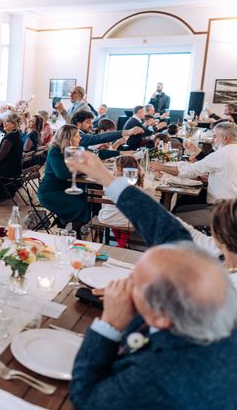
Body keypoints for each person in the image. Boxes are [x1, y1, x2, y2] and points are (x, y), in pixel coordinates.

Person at [63, 152, 237, 410]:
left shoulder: (162, 370)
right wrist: (107, 179)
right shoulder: (215, 277)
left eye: (139, 285)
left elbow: (86, 399)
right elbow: (170, 233)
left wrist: (110, 324)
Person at [151, 122, 237, 226]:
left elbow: (188, 171)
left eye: (215, 136)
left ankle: (169, 235)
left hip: (223, 211)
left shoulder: (222, 154)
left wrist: (161, 167)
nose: (212, 140)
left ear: (225, 138)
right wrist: (209, 178)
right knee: (181, 206)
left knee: (174, 218)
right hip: (230, 206)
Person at [37, 125, 89, 232]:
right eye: (77, 136)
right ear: (68, 138)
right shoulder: (55, 152)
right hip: (50, 193)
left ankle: (66, 224)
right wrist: (81, 169)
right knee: (81, 205)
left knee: (88, 199)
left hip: (64, 189)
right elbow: (62, 174)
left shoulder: (71, 151)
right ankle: (71, 229)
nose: (80, 138)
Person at [97, 156, 145, 248]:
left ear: (119, 168)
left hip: (107, 218)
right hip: (127, 222)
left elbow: (104, 204)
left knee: (115, 214)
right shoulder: (138, 182)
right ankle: (121, 245)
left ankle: (120, 244)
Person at [71, 110, 143, 154]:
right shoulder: (76, 135)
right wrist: (127, 132)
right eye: (88, 122)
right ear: (78, 124)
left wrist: (124, 153)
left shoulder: (81, 134)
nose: (91, 125)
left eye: (91, 123)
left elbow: (97, 153)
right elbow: (98, 138)